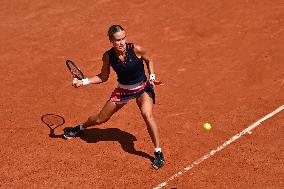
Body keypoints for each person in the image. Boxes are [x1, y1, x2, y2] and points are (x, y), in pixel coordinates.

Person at [63, 25, 164, 169]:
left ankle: (158, 152)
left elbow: (150, 60)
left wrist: (152, 77)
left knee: (147, 114)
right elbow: (103, 77)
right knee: (100, 118)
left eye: (123, 38)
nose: (122, 42)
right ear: (111, 40)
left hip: (142, 88)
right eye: (118, 40)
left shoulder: (136, 49)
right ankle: (80, 127)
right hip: (123, 91)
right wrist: (83, 81)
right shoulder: (108, 56)